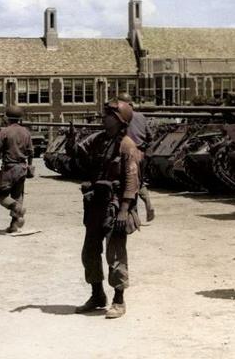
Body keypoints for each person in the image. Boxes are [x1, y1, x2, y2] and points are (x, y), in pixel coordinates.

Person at [70, 100, 142, 319]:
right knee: (90, 252)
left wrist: (124, 210)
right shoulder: (99, 140)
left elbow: (131, 180)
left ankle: (119, 300)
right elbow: (78, 154)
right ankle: (97, 295)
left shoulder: (127, 145)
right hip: (95, 205)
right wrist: (71, 139)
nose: (103, 118)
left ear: (119, 120)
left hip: (115, 206)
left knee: (115, 255)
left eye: (108, 115)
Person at [0, 105, 33, 233]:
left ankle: (17, 209)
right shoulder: (26, 132)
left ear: (7, 118)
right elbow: (31, 152)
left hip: (9, 168)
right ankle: (13, 226)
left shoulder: (5, 132)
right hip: (22, 168)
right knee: (17, 196)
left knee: (0, 195)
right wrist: (29, 166)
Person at [117, 91, 155, 223]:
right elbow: (150, 137)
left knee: (129, 183)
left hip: (128, 153)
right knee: (139, 181)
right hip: (141, 153)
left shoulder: (122, 118)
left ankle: (134, 215)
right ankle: (148, 203)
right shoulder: (141, 116)